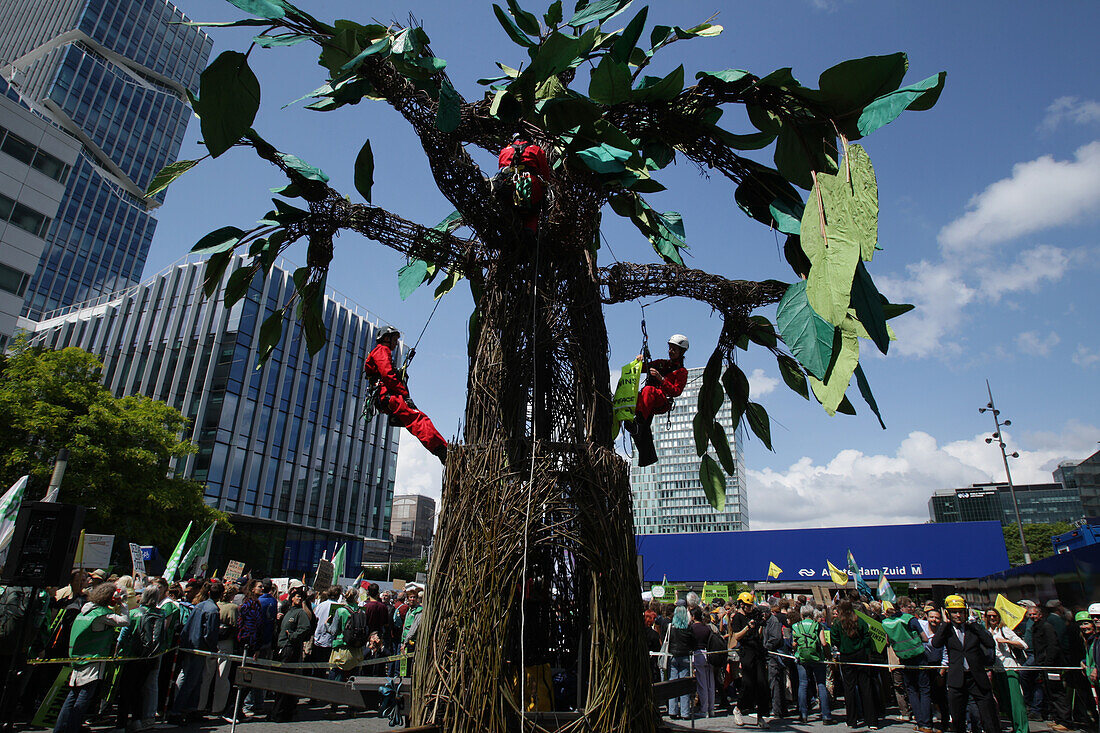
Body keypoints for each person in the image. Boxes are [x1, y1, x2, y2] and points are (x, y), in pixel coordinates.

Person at [53, 582, 129, 733]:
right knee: (84, 696)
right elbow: (125, 622)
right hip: (93, 659)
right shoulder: (101, 614)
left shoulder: (85, 611)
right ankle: (73, 727)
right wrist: (123, 605)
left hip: (78, 657)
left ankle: (61, 728)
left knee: (73, 695)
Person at [364, 326, 447, 463]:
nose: (396, 343)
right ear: (386, 338)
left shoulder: (378, 352)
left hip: (385, 398)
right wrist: (404, 395)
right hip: (390, 397)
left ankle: (441, 450)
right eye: (395, 339)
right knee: (418, 419)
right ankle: (442, 451)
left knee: (415, 421)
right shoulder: (381, 350)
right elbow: (387, 374)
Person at [932, 595, 999, 733]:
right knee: (957, 718)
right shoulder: (947, 630)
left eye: (961, 611)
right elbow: (936, 644)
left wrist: (975, 624)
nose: (958, 615)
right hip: (957, 679)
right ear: (948, 613)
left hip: (977, 677)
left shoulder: (973, 628)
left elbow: (990, 643)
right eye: (954, 612)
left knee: (988, 716)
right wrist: (944, 624)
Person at [623, 335, 689, 468]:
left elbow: (676, 391)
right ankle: (636, 426)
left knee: (648, 390)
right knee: (637, 395)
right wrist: (638, 361)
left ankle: (639, 422)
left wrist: (661, 379)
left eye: (674, 349)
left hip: (661, 400)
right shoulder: (661, 363)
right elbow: (642, 368)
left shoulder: (681, 372)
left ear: (681, 352)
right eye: (670, 348)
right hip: (649, 401)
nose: (670, 351)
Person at [168, 581, 221, 725]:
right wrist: (212, 648)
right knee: (192, 680)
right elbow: (210, 633)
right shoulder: (213, 610)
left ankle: (190, 709)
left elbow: (188, 626)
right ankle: (177, 711)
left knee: (193, 679)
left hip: (190, 645)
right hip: (200, 648)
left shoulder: (199, 606)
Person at [115, 586, 166, 733]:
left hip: (132, 656)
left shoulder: (134, 612)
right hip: (150, 657)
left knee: (125, 691)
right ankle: (137, 720)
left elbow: (123, 635)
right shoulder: (161, 613)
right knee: (139, 689)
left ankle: (121, 725)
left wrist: (117, 652)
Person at [883, 596, 933, 733]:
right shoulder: (910, 619)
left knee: (911, 690)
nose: (911, 609)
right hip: (918, 656)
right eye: (910, 606)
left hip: (903, 657)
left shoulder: (886, 622)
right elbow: (925, 638)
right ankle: (927, 723)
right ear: (903, 607)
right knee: (924, 689)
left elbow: (888, 641)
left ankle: (920, 721)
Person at [833, 599, 880, 730]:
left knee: (849, 689)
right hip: (860, 655)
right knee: (866, 687)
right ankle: (872, 720)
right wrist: (861, 647)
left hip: (846, 655)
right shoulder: (859, 620)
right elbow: (867, 636)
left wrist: (843, 646)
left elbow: (834, 638)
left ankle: (852, 720)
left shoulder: (837, 623)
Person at [270, 586, 313, 722]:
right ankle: (279, 711)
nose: (298, 598)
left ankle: (281, 712)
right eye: (296, 596)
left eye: (301, 596)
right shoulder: (289, 611)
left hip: (290, 649)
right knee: (281, 681)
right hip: (282, 648)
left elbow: (306, 628)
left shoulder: (300, 613)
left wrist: (293, 636)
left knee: (285, 681)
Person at [1028, 603, 1073, 731]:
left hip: (1051, 666)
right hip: (1043, 666)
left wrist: (1048, 663)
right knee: (1050, 692)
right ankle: (1058, 719)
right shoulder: (1035, 628)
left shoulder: (1046, 626)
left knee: (1057, 692)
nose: (1032, 616)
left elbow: (1053, 646)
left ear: (1040, 614)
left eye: (1034, 614)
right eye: (1030, 614)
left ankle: (1066, 722)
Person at [985, 606, 1028, 733]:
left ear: (998, 617)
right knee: (1005, 701)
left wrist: (1006, 640)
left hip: (1009, 667)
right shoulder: (986, 631)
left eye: (994, 616)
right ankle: (1015, 727)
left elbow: (1023, 645)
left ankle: (1022, 729)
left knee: (1016, 701)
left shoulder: (1004, 629)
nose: (992, 618)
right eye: (989, 616)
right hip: (996, 670)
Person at [729, 592, 769, 727]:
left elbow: (758, 635)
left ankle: (761, 716)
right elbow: (737, 636)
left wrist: (760, 624)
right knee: (748, 683)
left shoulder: (752, 615)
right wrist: (747, 627)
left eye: (751, 606)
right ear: (741, 604)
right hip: (747, 652)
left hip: (757, 651)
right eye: (747, 606)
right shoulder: (737, 618)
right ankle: (738, 708)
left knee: (762, 683)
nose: (749, 608)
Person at [791, 607, 834, 724]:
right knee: (821, 684)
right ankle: (826, 715)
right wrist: (828, 654)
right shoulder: (817, 625)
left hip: (802, 657)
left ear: (801, 614)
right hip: (817, 658)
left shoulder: (796, 626)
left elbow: (794, 643)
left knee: (803, 684)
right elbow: (824, 642)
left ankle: (803, 714)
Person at [667, 605, 694, 721]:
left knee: (673, 684)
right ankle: (685, 712)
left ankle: (672, 711)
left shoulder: (671, 627)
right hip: (685, 656)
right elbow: (692, 642)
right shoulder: (688, 628)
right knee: (684, 685)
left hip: (673, 656)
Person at [691, 607, 716, 719]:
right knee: (711, 683)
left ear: (692, 616)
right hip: (709, 654)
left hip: (698, 654)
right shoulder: (707, 628)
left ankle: (704, 710)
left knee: (702, 684)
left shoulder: (692, 628)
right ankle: (711, 709)